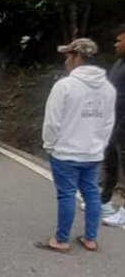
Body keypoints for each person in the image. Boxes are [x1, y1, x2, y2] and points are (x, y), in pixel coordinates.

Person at [36, 38, 115, 253]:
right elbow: (108, 123)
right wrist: (99, 146)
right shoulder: (108, 88)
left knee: (67, 194)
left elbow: (52, 122)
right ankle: (90, 239)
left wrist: (50, 146)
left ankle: (61, 240)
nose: (66, 61)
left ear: (77, 57)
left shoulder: (65, 86)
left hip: (66, 152)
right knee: (91, 193)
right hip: (93, 153)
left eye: (68, 56)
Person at [101, 26, 125, 227]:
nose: (115, 44)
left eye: (120, 40)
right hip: (113, 123)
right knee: (110, 164)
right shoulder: (118, 64)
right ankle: (104, 200)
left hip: (123, 126)